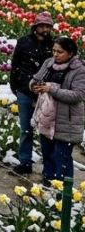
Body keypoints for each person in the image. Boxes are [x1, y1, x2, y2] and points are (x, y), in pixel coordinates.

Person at [30, 37, 85, 183]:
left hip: (66, 121)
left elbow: (78, 95)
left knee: (62, 157)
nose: (55, 54)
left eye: (60, 52)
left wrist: (52, 89)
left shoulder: (79, 70)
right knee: (47, 154)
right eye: (54, 51)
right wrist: (34, 86)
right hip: (47, 117)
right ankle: (47, 182)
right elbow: (36, 78)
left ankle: (63, 192)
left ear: (71, 53)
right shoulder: (49, 63)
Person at [9, 12, 56, 176]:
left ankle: (49, 169)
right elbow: (15, 65)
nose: (45, 30)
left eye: (48, 27)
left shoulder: (54, 46)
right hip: (24, 91)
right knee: (26, 129)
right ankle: (25, 162)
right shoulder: (24, 42)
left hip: (45, 93)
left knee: (46, 131)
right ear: (35, 27)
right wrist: (15, 86)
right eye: (42, 26)